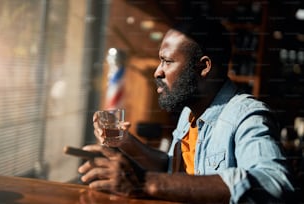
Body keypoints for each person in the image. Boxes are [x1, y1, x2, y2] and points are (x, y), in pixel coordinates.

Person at [78, 17, 295, 203]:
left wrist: (144, 183)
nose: (157, 72)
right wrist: (126, 142)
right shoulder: (190, 111)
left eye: (167, 61)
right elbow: (171, 169)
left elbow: (275, 182)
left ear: (204, 67)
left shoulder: (247, 116)